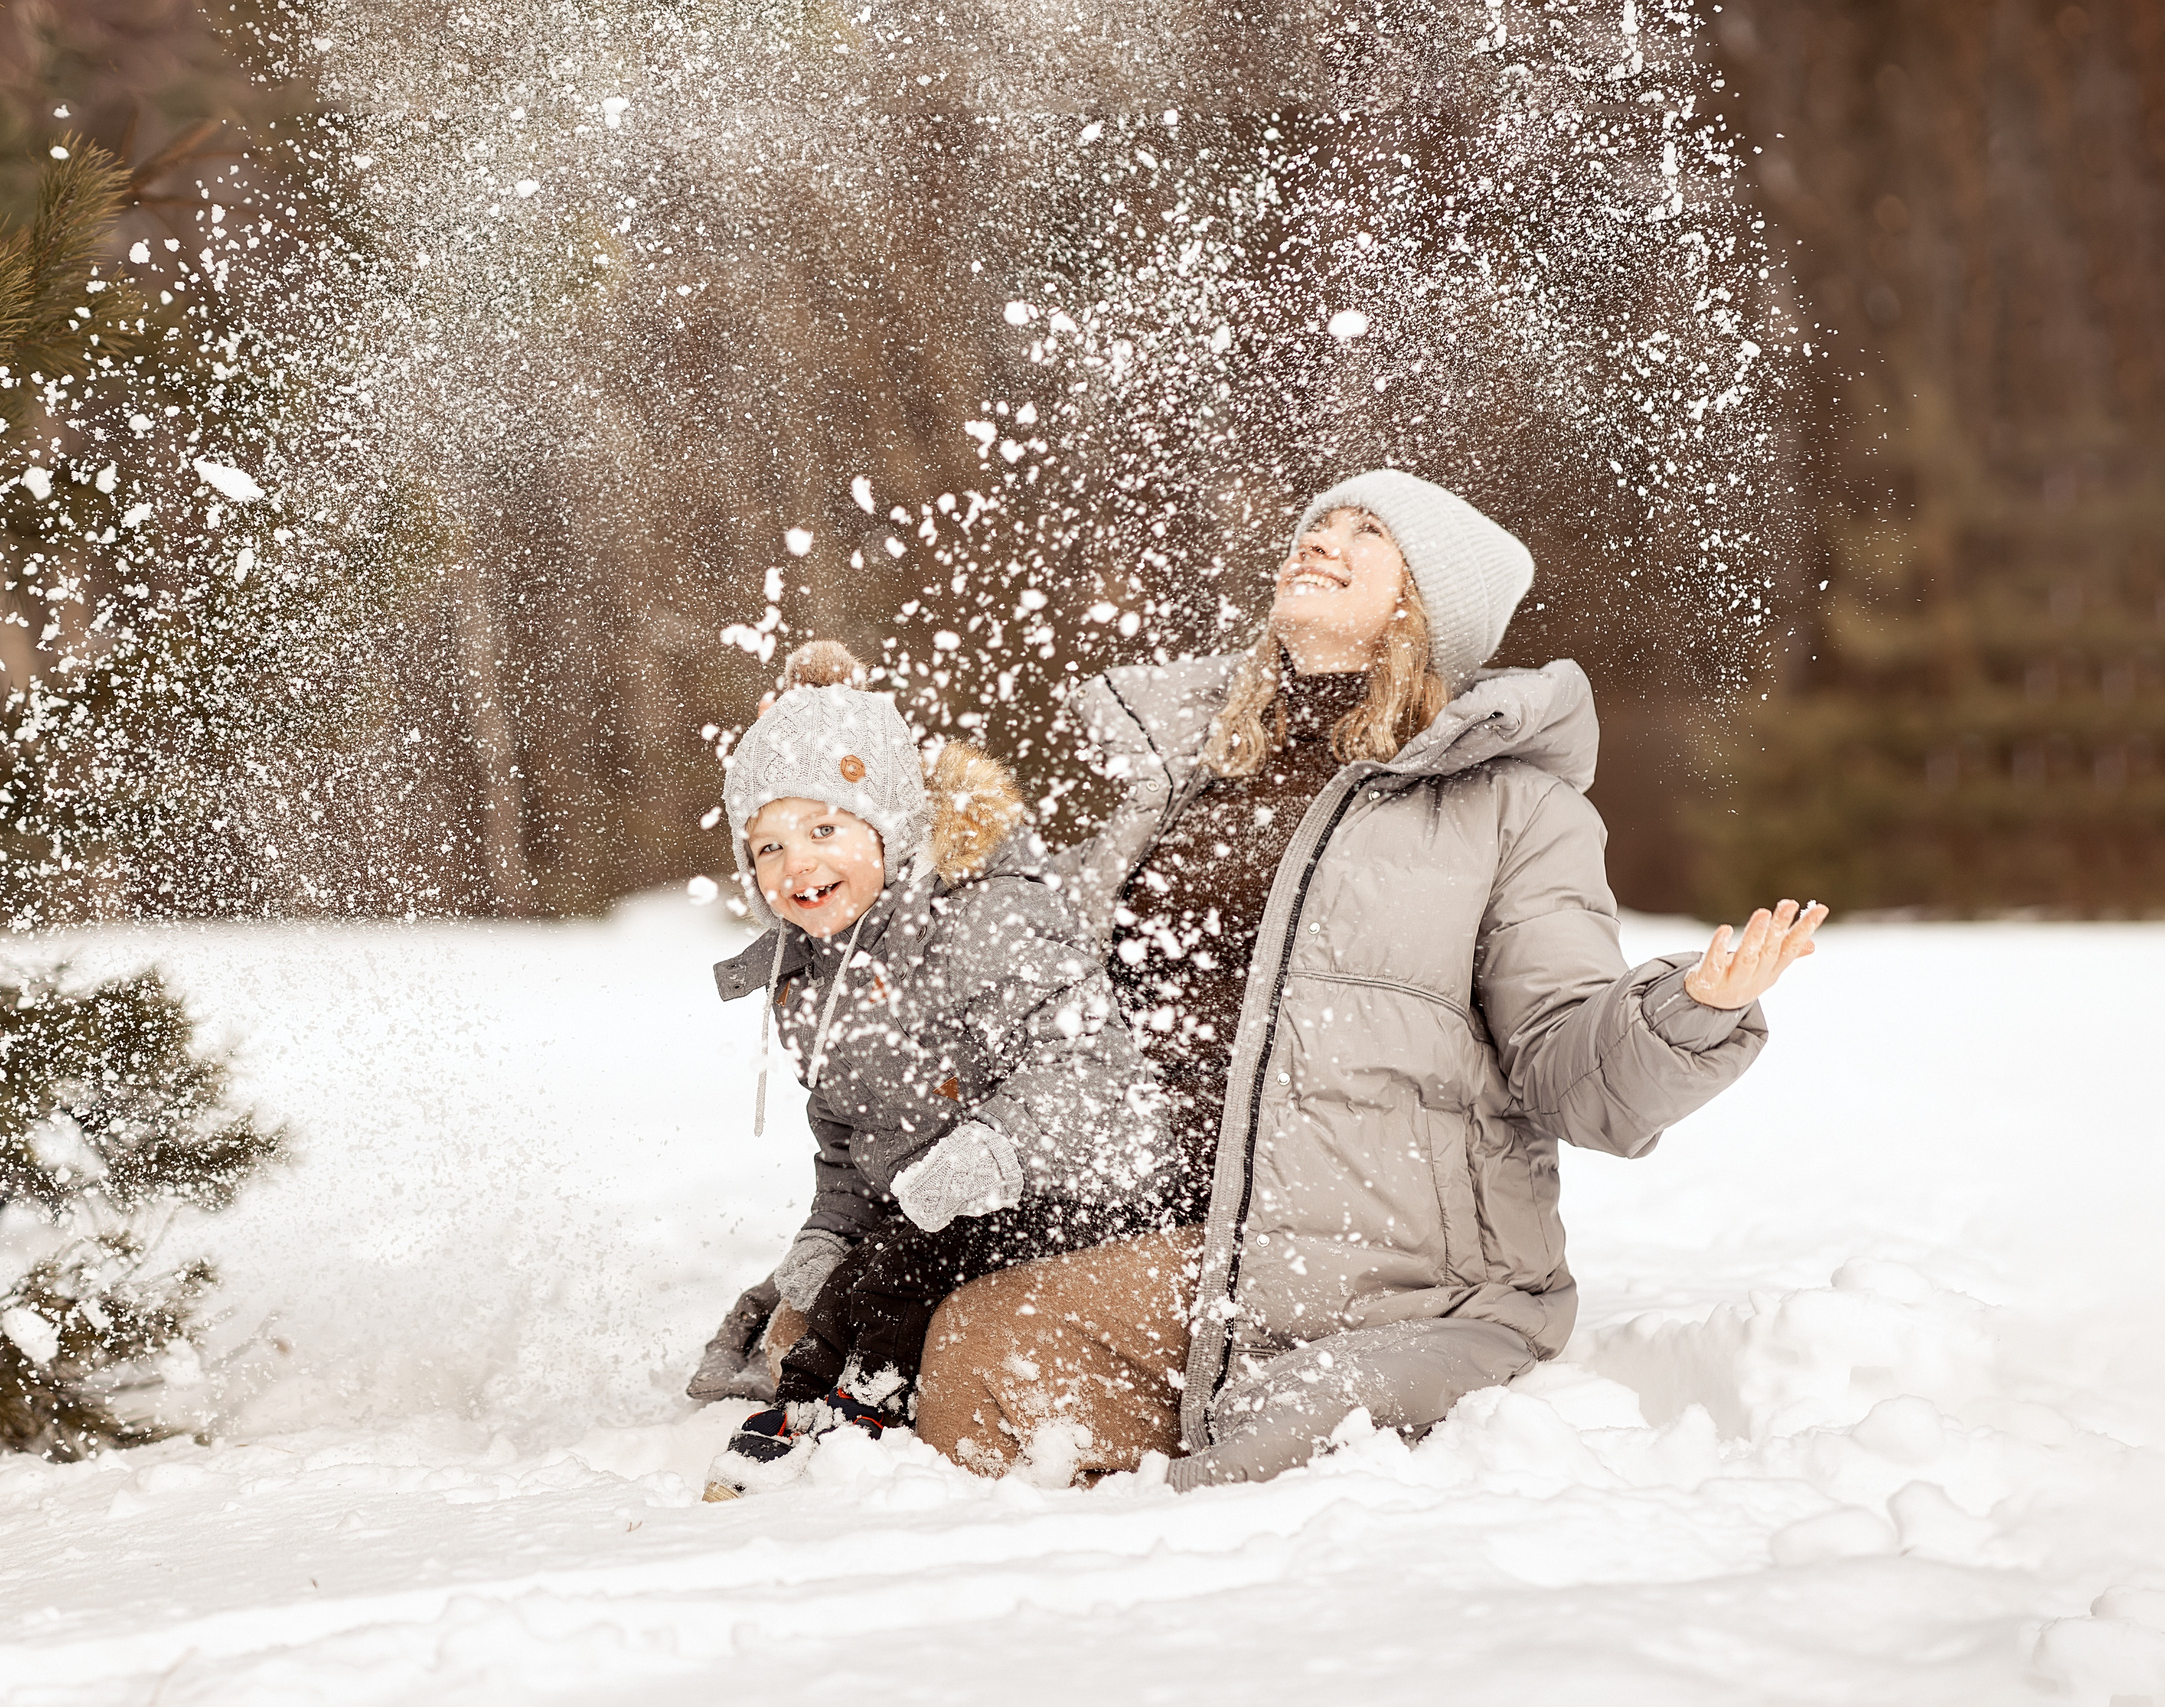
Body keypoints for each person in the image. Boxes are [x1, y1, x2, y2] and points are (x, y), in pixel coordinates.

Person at [910, 468, 1826, 1488]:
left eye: (1366, 535)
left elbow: (1565, 1063)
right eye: (1316, 525)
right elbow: (1051, 986)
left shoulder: (1511, 808)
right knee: (908, 1308)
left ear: (1423, 604)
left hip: (1375, 1252)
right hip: (1167, 1215)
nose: (1321, 541)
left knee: (992, 1348)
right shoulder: (1194, 776)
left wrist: (1686, 1013)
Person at [696, 641, 1173, 1500]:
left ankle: (846, 1411)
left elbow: (1088, 1066)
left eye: (824, 830)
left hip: (1072, 1189)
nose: (795, 863)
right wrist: (825, 1232)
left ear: (890, 823)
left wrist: (992, 1148)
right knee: (851, 1277)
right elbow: (848, 1144)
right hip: (929, 1206)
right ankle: (815, 1394)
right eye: (765, 847)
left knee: (902, 1266)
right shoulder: (806, 976)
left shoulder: (981, 911)